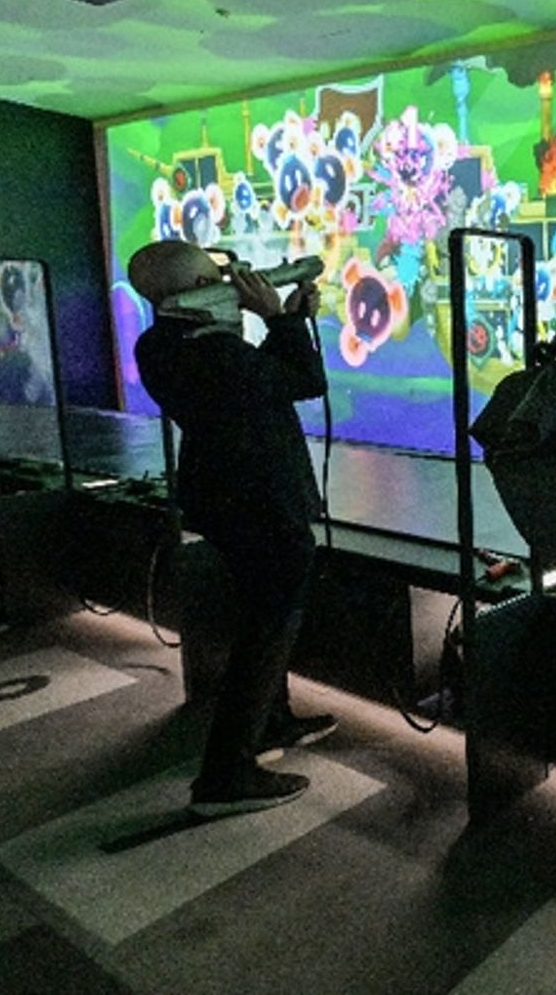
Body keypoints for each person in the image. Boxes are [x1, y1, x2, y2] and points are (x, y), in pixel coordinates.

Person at [129, 241, 338, 817]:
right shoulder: (213, 350)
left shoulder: (160, 342)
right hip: (262, 505)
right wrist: (278, 317)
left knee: (261, 618)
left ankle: (274, 722)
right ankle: (226, 773)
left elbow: (263, 383)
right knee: (269, 630)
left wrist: (288, 319)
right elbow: (304, 379)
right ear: (196, 284)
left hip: (226, 502)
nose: (231, 278)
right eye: (216, 273)